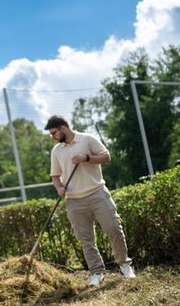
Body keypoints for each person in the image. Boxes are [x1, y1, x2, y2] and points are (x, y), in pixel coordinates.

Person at [44, 115, 135, 287]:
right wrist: (59, 188)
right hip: (74, 201)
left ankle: (125, 266)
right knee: (86, 240)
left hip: (97, 194)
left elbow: (106, 156)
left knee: (114, 228)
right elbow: (55, 176)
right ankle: (97, 272)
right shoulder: (57, 150)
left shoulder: (87, 139)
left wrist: (86, 158)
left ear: (63, 128)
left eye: (54, 133)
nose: (53, 137)